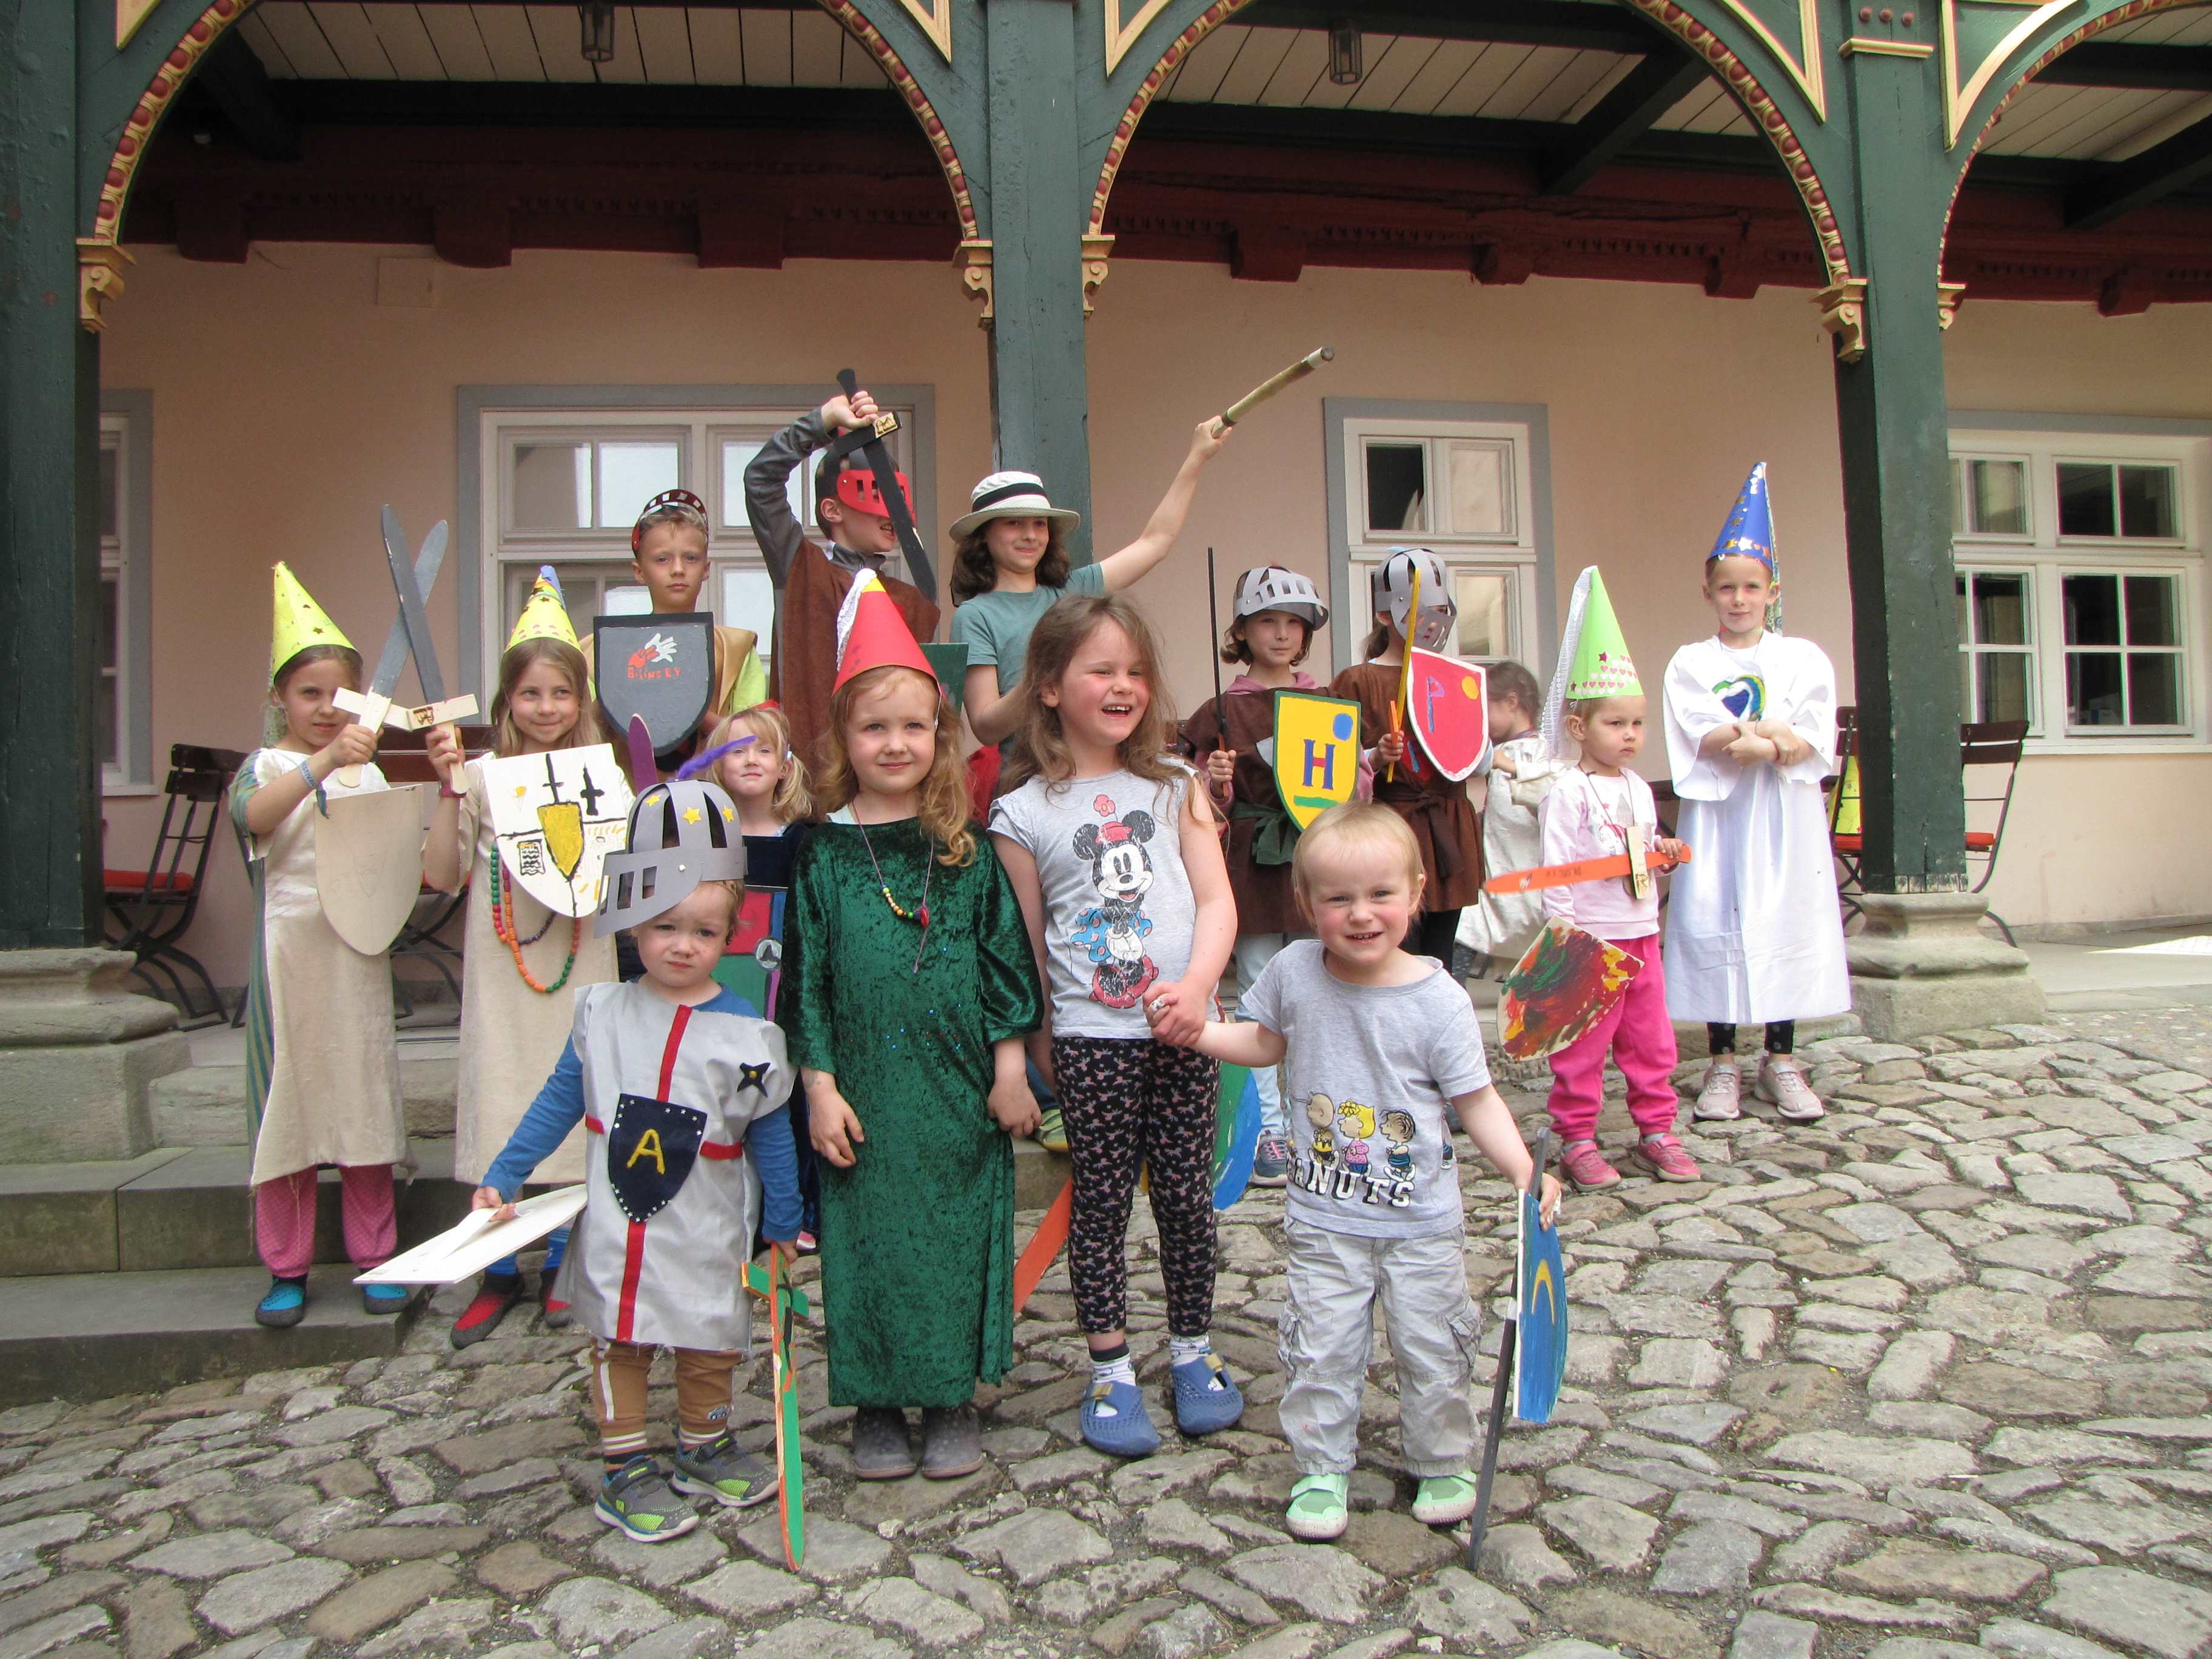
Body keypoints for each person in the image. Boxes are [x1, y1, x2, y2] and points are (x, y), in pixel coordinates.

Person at [1157, 803, 1560, 1540]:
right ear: (1307, 902)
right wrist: (1200, 1034)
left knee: (1434, 1345)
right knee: (1321, 1346)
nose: (1361, 914)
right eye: (1339, 898)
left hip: (1421, 1223)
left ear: (1416, 892)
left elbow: (1477, 1100)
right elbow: (1263, 1043)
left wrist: (1524, 1171)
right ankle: (1321, 1466)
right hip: (1325, 1219)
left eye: (1380, 894)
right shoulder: (1294, 973)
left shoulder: (1440, 1000)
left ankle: (1442, 1459)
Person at [472, 768, 801, 1543]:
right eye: (664, 926)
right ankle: (623, 1470)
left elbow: (771, 1132)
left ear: (730, 935)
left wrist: (785, 1221)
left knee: (708, 1334)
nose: (683, 945)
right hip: (620, 1228)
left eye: (704, 932)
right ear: (631, 925)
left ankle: (702, 1446)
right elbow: (558, 1100)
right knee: (620, 1337)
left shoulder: (749, 1034)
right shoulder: (602, 1012)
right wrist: (505, 1173)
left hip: (707, 1223)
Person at [782, 574, 1044, 1481]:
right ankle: (878, 1406)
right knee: (870, 1243)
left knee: (954, 1236)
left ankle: (950, 1396)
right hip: (862, 1090)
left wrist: (1009, 1069)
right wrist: (819, 1089)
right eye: (873, 729)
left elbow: (1005, 962)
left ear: (939, 736)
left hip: (957, 1087)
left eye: (912, 727)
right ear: (843, 739)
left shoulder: (963, 848)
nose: (894, 744)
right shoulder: (822, 852)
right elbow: (807, 986)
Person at [990, 593, 1241, 1458]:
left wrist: (1198, 989)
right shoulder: (1024, 812)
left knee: (1185, 1199)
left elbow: (1216, 901)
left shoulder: (1175, 787)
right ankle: (1110, 1369)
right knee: (1099, 1205)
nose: (1123, 686)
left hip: (1187, 1034)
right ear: (1049, 686)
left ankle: (1194, 1352)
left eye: (1135, 671)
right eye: (1101, 670)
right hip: (1091, 1043)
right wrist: (1038, 1047)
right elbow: (1028, 945)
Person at [424, 569, 617, 1346]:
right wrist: (448, 790)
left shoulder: (602, 775)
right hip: (505, 976)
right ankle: (496, 1268)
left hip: (581, 961)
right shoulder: (480, 778)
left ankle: (565, 1260)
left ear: (581, 699)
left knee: (577, 1104)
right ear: (508, 700)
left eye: (560, 693)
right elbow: (441, 874)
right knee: (502, 1102)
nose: (546, 708)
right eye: (531, 694)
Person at [231, 565, 409, 1328]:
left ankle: (377, 1254)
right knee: (290, 1111)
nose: (326, 709)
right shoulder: (267, 768)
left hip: (356, 958)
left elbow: (395, 863)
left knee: (363, 1104)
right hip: (288, 961)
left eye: (340, 695)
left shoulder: (368, 775)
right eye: (310, 693)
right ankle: (286, 1264)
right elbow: (254, 818)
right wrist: (324, 763)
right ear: (280, 697)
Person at [1664, 464, 1848, 1124]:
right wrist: (1766, 735)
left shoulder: (1802, 659)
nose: (1739, 600)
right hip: (1722, 815)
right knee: (1719, 914)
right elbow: (1701, 730)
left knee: (1782, 916)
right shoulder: (1692, 662)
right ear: (1708, 593)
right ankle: (1722, 1060)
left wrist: (1772, 746)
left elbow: (1812, 734)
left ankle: (1781, 1057)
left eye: (1751, 587)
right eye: (1726, 588)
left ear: (1772, 592)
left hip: (1782, 816)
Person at [949, 421, 1230, 803]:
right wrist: (1043, 674)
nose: (1030, 535)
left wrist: (1196, 458)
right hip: (1032, 784)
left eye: (1039, 524)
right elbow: (986, 726)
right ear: (983, 535)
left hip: (1106, 776)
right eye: (1014, 523)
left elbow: (1156, 542)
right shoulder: (975, 615)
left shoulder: (1074, 589)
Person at [1178, 565, 1344, 1187]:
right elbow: (1198, 805)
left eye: (1293, 624)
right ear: (1242, 632)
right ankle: (1268, 1127)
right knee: (1256, 988)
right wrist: (1214, 779)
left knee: (1319, 988)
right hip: (1249, 861)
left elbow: (1345, 788)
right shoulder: (1221, 710)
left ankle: (1315, 1118)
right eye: (1268, 621)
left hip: (1313, 860)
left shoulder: (1327, 702)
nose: (1281, 634)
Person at [1537, 569, 1699, 1190]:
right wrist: (1564, 939)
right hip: (1591, 942)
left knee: (1650, 1040)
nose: (1630, 735)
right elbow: (1558, 869)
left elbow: (1636, 848)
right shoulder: (1567, 791)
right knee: (1583, 1046)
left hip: (1641, 934)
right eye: (1616, 723)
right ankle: (1577, 1139)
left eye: (1637, 723)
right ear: (1580, 728)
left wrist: (1662, 853)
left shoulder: (1637, 787)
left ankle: (1657, 1131)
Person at [745, 387, 938, 771]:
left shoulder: (910, 600)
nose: (892, 511)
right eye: (877, 492)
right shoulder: (802, 570)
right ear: (832, 509)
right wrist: (822, 422)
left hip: (889, 777)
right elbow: (761, 481)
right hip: (812, 780)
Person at [1330, 549, 1484, 967]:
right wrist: (1377, 756)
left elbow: (1476, 754)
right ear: (1386, 614)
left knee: (1440, 952)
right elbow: (1338, 763)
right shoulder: (1357, 681)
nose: (1431, 620)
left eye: (1439, 610)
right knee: (1395, 950)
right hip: (1394, 825)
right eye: (1420, 609)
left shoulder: (1457, 678)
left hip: (1448, 826)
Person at [708, 700, 820, 1250]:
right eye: (737, 749)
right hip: (725, 996)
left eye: (764, 749)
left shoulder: (804, 841)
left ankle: (796, 1213)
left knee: (788, 1105)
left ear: (784, 766)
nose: (751, 759)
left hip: (784, 998)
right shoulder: (710, 843)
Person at [579, 490, 768, 761]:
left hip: (712, 783)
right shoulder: (594, 651)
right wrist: (616, 692)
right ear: (639, 571)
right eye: (662, 559)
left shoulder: (734, 648)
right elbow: (581, 737)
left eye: (691, 558)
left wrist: (692, 709)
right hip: (626, 782)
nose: (678, 569)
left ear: (706, 568)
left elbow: (756, 737)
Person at [1455, 660, 1564, 980]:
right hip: (1497, 869)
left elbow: (1555, 792)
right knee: (1467, 927)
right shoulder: (1501, 751)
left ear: (1512, 702)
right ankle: (1453, 992)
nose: (1482, 720)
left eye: (1485, 709)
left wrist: (1515, 768)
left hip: (1526, 873)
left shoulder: (1542, 754)